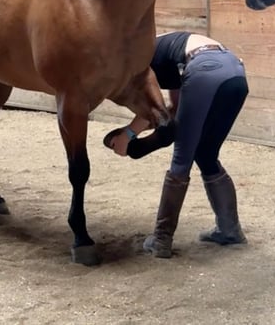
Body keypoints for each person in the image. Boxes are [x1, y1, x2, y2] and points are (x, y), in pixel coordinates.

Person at [103, 31, 249, 258]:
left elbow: (152, 108)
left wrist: (129, 134)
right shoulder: (172, 53)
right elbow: (174, 112)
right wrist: (143, 141)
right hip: (235, 73)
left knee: (182, 158)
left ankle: (161, 239)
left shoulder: (141, 58)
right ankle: (230, 230)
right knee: (206, 153)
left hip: (205, 69)